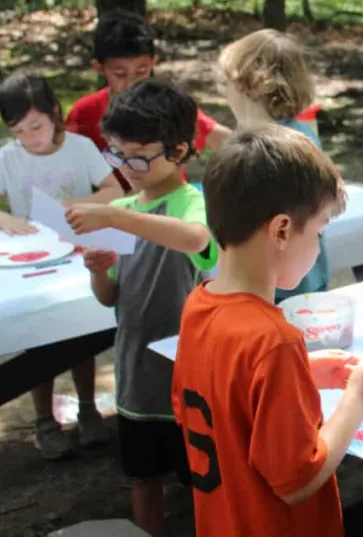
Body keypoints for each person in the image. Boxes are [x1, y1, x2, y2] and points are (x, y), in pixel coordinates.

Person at [171, 125, 363, 537]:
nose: (319, 246)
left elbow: (222, 400)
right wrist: (360, 398)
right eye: (320, 231)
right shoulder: (274, 341)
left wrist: (301, 371)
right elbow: (298, 480)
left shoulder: (199, 306)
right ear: (281, 231)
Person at [67, 80, 218, 536]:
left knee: (203, 481)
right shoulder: (124, 207)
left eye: (137, 157)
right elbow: (110, 297)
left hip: (189, 379)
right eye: (116, 154)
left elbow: (196, 239)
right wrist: (99, 271)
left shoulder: (193, 203)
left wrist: (115, 215)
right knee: (143, 478)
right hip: (136, 374)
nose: (125, 167)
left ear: (179, 150)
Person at [0, 72, 123, 459]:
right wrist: (5, 218)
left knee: (79, 332)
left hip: (77, 255)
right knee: (40, 334)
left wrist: (77, 206)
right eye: (19, 130)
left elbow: (115, 190)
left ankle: (88, 409)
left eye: (36, 126)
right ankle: (44, 421)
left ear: (54, 113)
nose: (30, 137)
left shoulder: (81, 149)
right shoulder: (7, 158)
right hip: (32, 261)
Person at [218, 29, 331, 303]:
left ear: (245, 82)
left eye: (226, 82)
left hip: (278, 284)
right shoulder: (296, 133)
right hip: (296, 276)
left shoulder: (269, 147)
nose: (224, 92)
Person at [64, 9, 233, 189]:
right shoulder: (85, 112)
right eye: (120, 74)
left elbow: (225, 140)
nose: (132, 83)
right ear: (99, 68)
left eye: (141, 72)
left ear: (153, 63)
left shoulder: (166, 107)